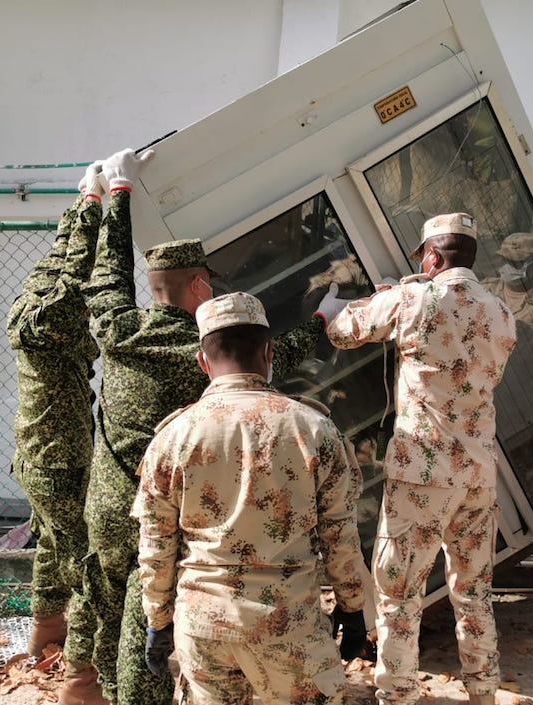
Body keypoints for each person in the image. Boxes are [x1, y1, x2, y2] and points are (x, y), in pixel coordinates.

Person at [62, 147, 348, 705]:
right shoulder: (199, 345)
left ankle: (85, 684)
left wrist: (108, 196)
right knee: (146, 616)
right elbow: (268, 360)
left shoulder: (120, 329)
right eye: (209, 286)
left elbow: (105, 277)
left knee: (101, 596)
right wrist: (321, 321)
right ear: (197, 288)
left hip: (108, 498)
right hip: (165, 506)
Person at [132, 291, 369, 705]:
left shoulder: (173, 438)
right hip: (290, 624)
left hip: (205, 627)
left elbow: (156, 545)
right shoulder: (313, 429)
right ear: (268, 351)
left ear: (202, 362)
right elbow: (340, 536)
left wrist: (158, 620)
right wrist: (352, 609)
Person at [326, 213, 517, 705]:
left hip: (422, 475)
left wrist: (384, 296)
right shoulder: (500, 310)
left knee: (398, 598)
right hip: (478, 473)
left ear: (432, 256)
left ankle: (399, 696)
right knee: (474, 595)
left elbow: (343, 331)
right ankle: (484, 694)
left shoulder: (411, 300)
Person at [5, 161, 104, 660]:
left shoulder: (28, 309)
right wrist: (95, 206)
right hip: (60, 464)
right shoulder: (51, 324)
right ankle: (82, 678)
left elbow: (58, 267)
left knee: (49, 546)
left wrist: (83, 202)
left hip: (36, 457)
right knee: (88, 561)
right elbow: (74, 272)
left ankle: (44, 637)